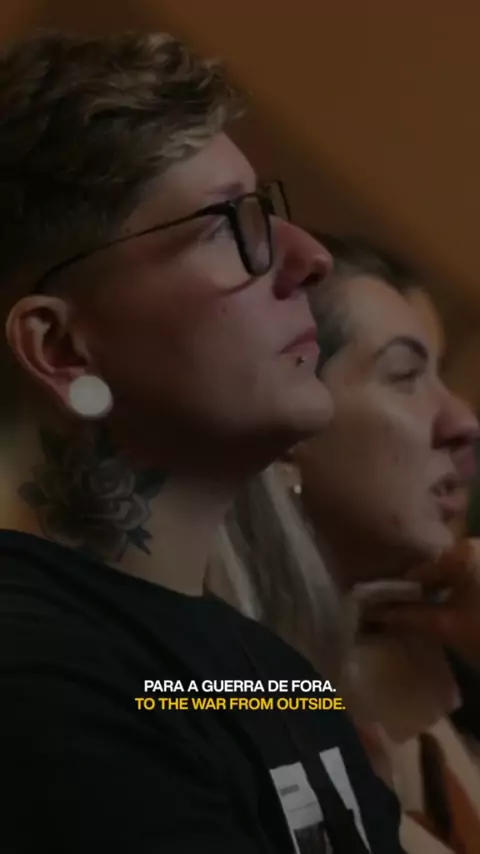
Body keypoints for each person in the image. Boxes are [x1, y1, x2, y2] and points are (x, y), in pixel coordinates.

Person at [0, 32, 404, 854]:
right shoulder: (37, 670)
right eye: (227, 224)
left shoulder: (267, 674)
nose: (310, 257)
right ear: (63, 349)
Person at [215, 236, 480, 853]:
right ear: (287, 427)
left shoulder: (421, 697)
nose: (465, 422)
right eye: (406, 375)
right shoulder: (213, 703)